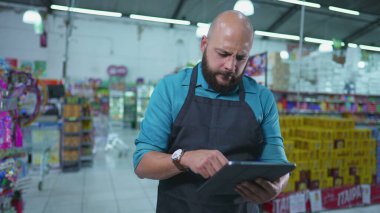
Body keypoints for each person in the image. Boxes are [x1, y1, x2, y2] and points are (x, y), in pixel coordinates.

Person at [133, 10, 289, 213]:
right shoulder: (171, 89)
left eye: (241, 58)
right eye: (223, 54)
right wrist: (185, 158)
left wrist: (277, 186)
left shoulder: (262, 98)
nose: (230, 66)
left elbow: (278, 165)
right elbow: (142, 163)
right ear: (204, 45)